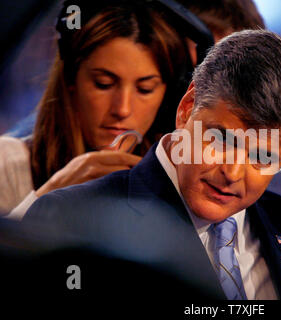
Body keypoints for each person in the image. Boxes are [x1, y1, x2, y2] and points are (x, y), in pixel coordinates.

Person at [22, 30, 281, 299]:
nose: (233, 172)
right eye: (221, 141)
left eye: (263, 157)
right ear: (187, 109)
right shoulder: (70, 218)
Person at [0, 0, 265, 219]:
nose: (122, 109)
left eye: (145, 89)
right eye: (103, 83)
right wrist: (48, 200)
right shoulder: (8, 163)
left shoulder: (192, 187)